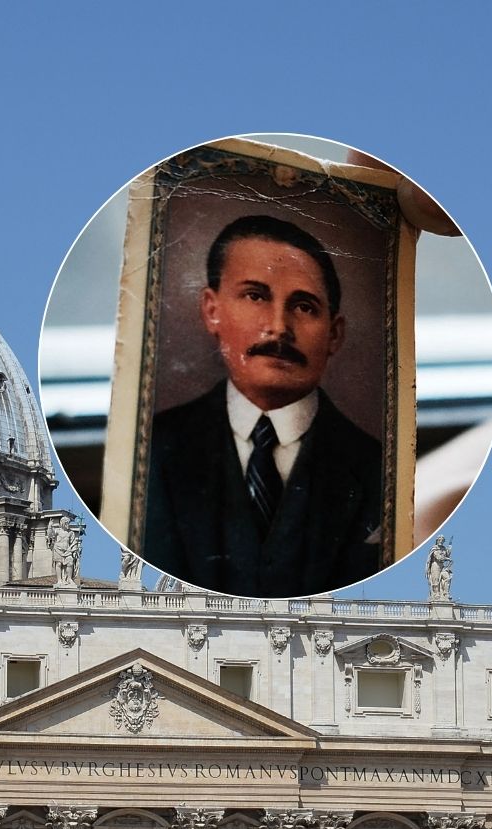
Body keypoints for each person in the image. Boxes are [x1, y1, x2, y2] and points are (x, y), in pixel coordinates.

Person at [142, 214, 393, 597]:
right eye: (255, 296)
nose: (278, 327)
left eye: (305, 307)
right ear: (212, 309)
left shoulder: (385, 472)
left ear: (335, 333)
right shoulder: (148, 450)